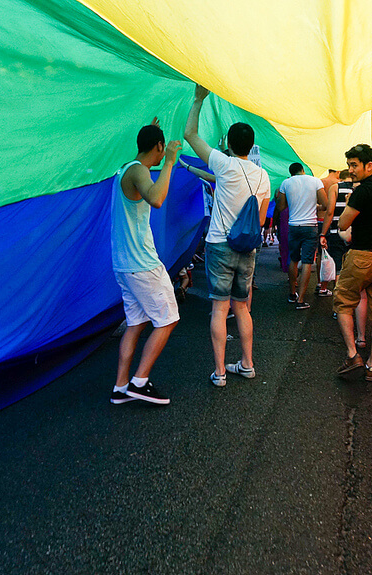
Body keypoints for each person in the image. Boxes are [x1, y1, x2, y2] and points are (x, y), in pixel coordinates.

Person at [184, 84, 271, 387]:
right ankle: (247, 364)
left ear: (230, 145)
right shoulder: (262, 175)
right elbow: (260, 219)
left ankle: (220, 372)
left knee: (219, 309)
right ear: (251, 145)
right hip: (247, 248)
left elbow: (190, 135)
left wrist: (198, 100)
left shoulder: (223, 164)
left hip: (220, 245)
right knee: (242, 307)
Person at [109, 118, 183, 405]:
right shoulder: (139, 171)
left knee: (136, 323)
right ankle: (140, 382)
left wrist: (154, 135)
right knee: (168, 319)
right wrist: (169, 162)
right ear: (159, 146)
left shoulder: (127, 168)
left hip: (125, 264)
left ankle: (120, 386)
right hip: (142, 264)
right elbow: (156, 199)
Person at [333, 104, 372, 382]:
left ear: (367, 166)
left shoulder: (360, 194)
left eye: (354, 165)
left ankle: (352, 355)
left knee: (343, 302)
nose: (351, 170)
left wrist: (349, 205)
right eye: (349, 165)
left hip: (361, 257)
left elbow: (343, 225)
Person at [275, 163, 326, 310]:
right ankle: (301, 299)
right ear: (302, 170)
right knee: (307, 262)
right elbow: (325, 203)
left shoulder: (286, 183)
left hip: (294, 226)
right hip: (310, 226)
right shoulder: (315, 181)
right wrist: (315, 206)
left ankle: (292, 293)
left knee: (293, 259)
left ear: (291, 173)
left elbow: (281, 207)